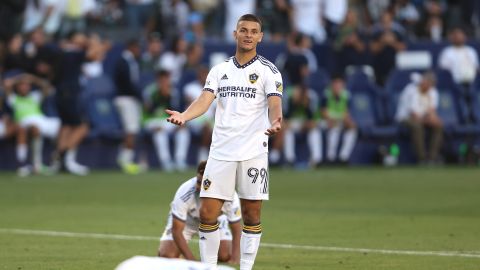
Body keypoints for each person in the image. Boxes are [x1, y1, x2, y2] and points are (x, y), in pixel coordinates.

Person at [165, 14, 283, 270]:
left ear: (260, 37)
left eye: (254, 31)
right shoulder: (219, 70)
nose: (248, 35)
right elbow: (205, 101)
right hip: (220, 153)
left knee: (252, 215)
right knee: (208, 213)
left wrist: (276, 121)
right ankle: (209, 268)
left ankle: (246, 268)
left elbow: (275, 103)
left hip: (253, 152)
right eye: (244, 30)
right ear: (235, 34)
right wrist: (185, 115)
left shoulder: (268, 71)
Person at [158, 161, 241, 264]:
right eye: (198, 182)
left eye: (204, 184)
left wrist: (235, 258)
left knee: (225, 255)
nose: (200, 187)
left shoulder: (229, 195)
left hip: (216, 222)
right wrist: (192, 262)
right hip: (187, 222)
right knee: (167, 255)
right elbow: (177, 231)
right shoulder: (185, 192)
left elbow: (236, 227)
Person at [3, 72, 60, 176]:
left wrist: (32, 78)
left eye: (27, 85)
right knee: (35, 128)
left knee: (62, 127)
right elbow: (6, 85)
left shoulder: (34, 96)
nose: (25, 87)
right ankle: (36, 164)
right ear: (18, 87)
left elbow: (46, 86)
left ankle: (57, 159)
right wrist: (19, 79)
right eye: (22, 85)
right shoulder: (14, 99)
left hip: (41, 121)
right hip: (25, 123)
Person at [142, 70, 189, 171]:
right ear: (158, 80)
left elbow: (175, 110)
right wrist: (161, 95)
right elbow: (149, 110)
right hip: (152, 120)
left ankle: (180, 160)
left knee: (183, 130)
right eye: (162, 79)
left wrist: (168, 97)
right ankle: (166, 162)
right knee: (160, 132)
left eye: (167, 79)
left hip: (168, 120)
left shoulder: (174, 92)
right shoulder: (149, 91)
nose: (165, 82)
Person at [395, 71, 443, 164]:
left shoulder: (432, 92)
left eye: (431, 84)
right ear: (423, 81)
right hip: (405, 117)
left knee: (439, 125)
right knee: (417, 126)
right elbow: (413, 114)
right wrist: (427, 120)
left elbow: (432, 111)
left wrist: (434, 119)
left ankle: (432, 158)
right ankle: (422, 158)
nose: (429, 87)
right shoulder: (411, 90)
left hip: (423, 118)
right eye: (428, 83)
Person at [114, 39, 142, 174]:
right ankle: (126, 161)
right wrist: (140, 96)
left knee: (130, 129)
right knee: (131, 130)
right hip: (127, 99)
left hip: (126, 98)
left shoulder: (128, 61)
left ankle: (123, 158)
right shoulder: (124, 61)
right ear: (132, 46)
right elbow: (128, 83)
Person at [283, 84, 322, 167]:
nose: (299, 95)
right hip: (293, 124)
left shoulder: (310, 99)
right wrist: (294, 103)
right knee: (287, 133)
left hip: (305, 124)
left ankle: (316, 160)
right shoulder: (289, 99)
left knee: (315, 132)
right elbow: (285, 121)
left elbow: (313, 121)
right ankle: (290, 160)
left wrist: (306, 105)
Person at [321, 75, 357, 164]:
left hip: (339, 121)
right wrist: (337, 119)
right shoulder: (326, 95)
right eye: (335, 84)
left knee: (352, 130)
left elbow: (347, 114)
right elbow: (324, 113)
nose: (337, 87)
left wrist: (348, 122)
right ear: (331, 85)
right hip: (325, 122)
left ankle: (343, 158)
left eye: (339, 85)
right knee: (334, 129)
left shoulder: (346, 96)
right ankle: (331, 158)